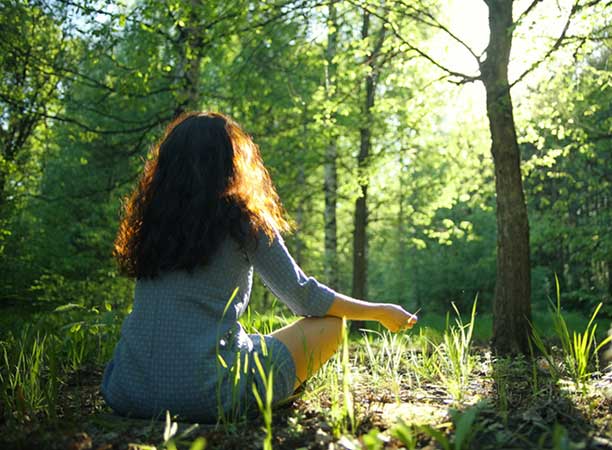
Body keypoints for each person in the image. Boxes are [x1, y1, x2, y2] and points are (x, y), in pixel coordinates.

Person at [100, 112, 417, 423]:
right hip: (208, 398)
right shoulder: (243, 222)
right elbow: (305, 298)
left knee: (245, 341)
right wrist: (379, 311)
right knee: (331, 326)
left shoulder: (151, 224)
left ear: (167, 166)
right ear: (232, 162)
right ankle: (272, 397)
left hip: (127, 390)